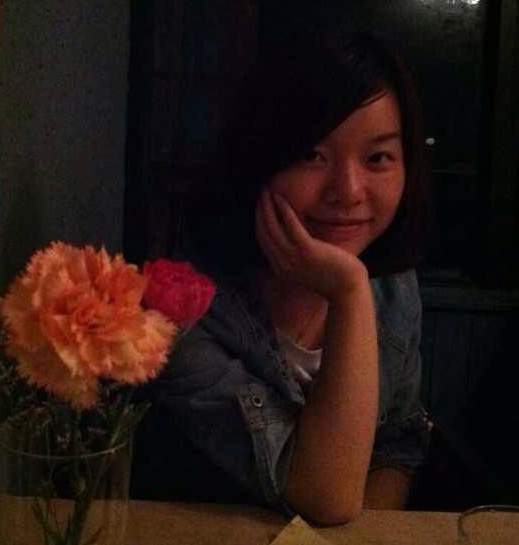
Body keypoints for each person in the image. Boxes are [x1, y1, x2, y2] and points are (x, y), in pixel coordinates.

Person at [133, 29, 433, 525]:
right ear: (257, 157)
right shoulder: (183, 311)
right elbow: (323, 496)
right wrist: (348, 290)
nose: (348, 191)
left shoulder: (394, 288)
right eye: (311, 155)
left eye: (377, 158)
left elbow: (397, 443)